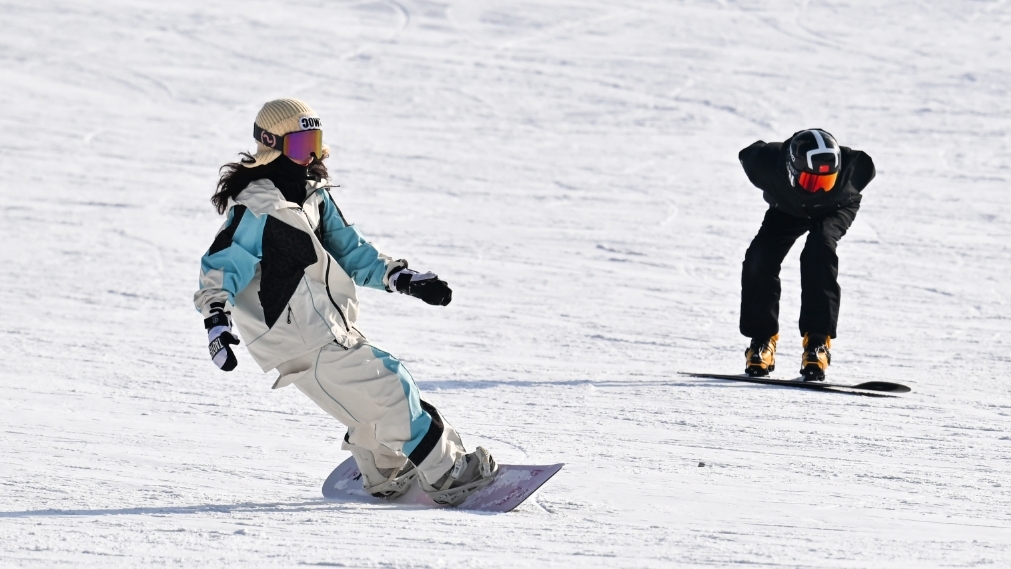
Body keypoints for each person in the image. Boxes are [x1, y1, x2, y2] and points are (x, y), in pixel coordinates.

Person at [194, 98, 497, 505]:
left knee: (367, 400)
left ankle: (385, 468)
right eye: (301, 145)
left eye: (316, 143)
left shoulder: (312, 196)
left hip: (324, 327)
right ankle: (448, 474)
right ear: (271, 145)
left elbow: (352, 252)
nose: (311, 155)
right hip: (301, 334)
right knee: (391, 386)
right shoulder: (258, 208)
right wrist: (216, 322)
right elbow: (220, 267)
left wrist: (403, 279)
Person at [737, 129, 875, 381]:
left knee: (819, 249)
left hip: (834, 208)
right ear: (791, 169)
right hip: (787, 208)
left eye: (826, 182)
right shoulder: (763, 162)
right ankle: (762, 341)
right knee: (760, 257)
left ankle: (817, 344)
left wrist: (824, 188)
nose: (818, 190)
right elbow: (748, 153)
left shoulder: (857, 169)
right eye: (812, 182)